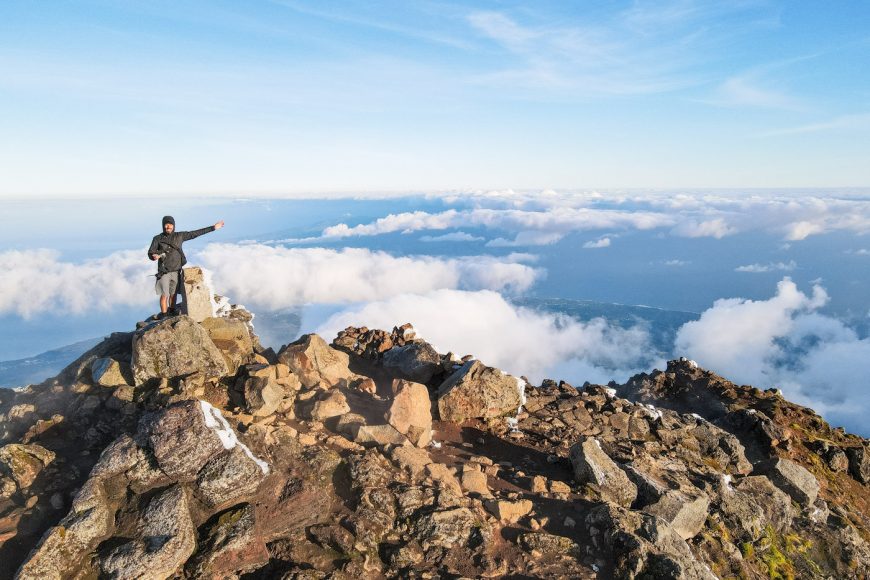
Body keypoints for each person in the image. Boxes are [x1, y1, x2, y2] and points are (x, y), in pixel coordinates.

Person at [148, 216, 224, 318]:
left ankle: (172, 310)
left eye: (170, 224)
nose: (168, 226)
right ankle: (164, 315)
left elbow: (195, 233)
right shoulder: (157, 238)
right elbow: (151, 252)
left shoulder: (180, 236)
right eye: (166, 224)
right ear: (163, 225)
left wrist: (213, 228)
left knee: (173, 294)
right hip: (164, 272)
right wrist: (153, 256)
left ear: (173, 225)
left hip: (176, 271)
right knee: (164, 295)